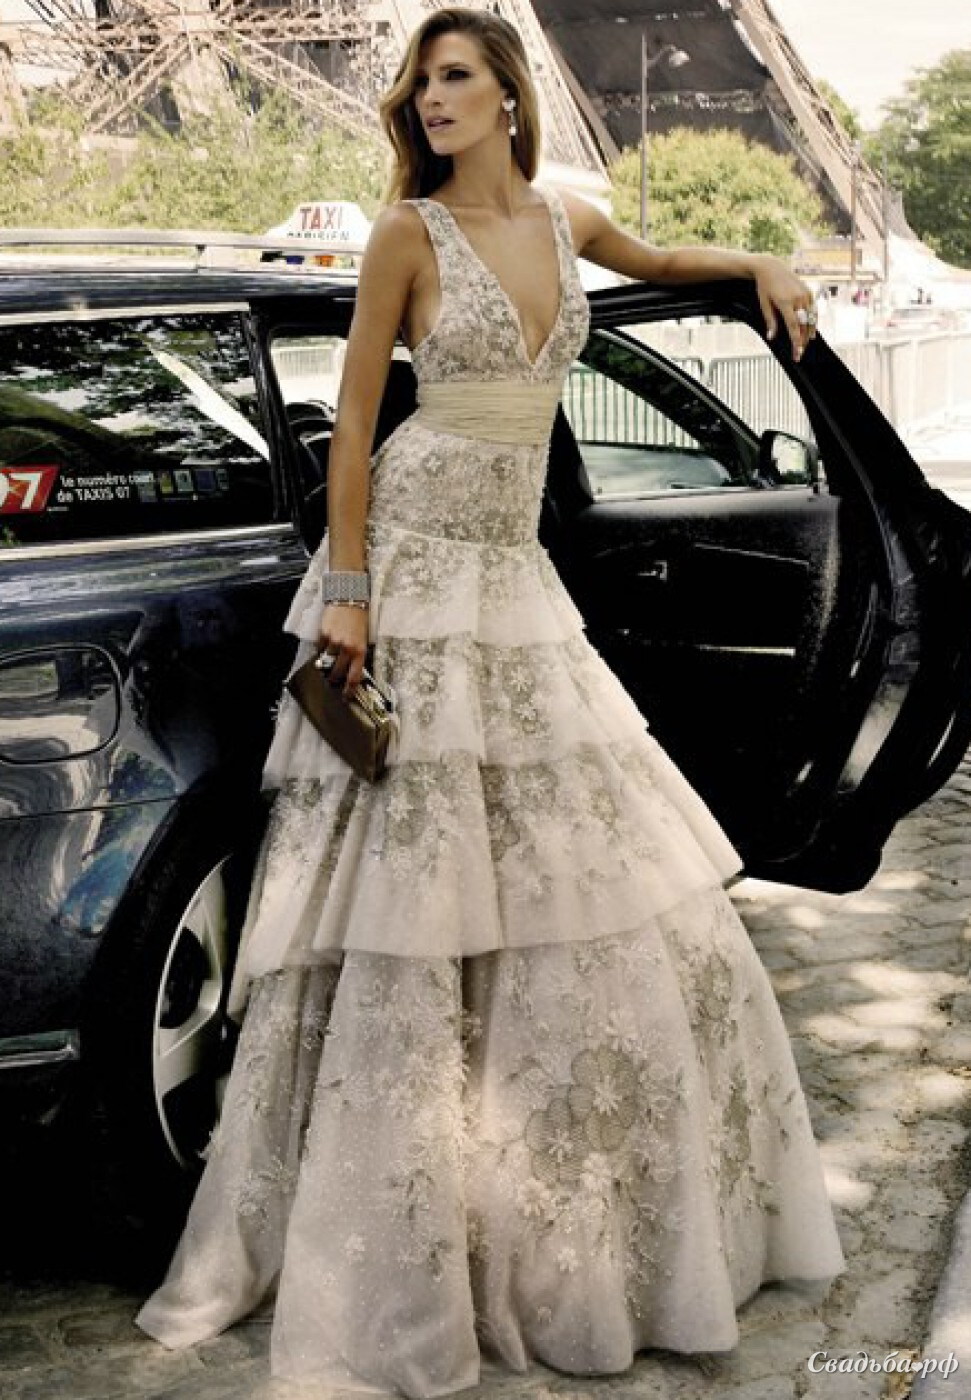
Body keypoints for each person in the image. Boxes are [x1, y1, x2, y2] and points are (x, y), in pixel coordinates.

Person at [136, 6, 843, 1393]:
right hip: (412, 563)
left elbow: (665, 261)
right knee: (412, 890)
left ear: (511, 94)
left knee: (575, 872)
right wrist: (350, 593)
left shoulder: (568, 220)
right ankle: (401, 1237)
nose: (431, 98)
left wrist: (762, 259)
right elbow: (354, 425)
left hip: (514, 573)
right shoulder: (405, 235)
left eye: (456, 75)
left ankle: (561, 1216)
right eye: (420, 83)